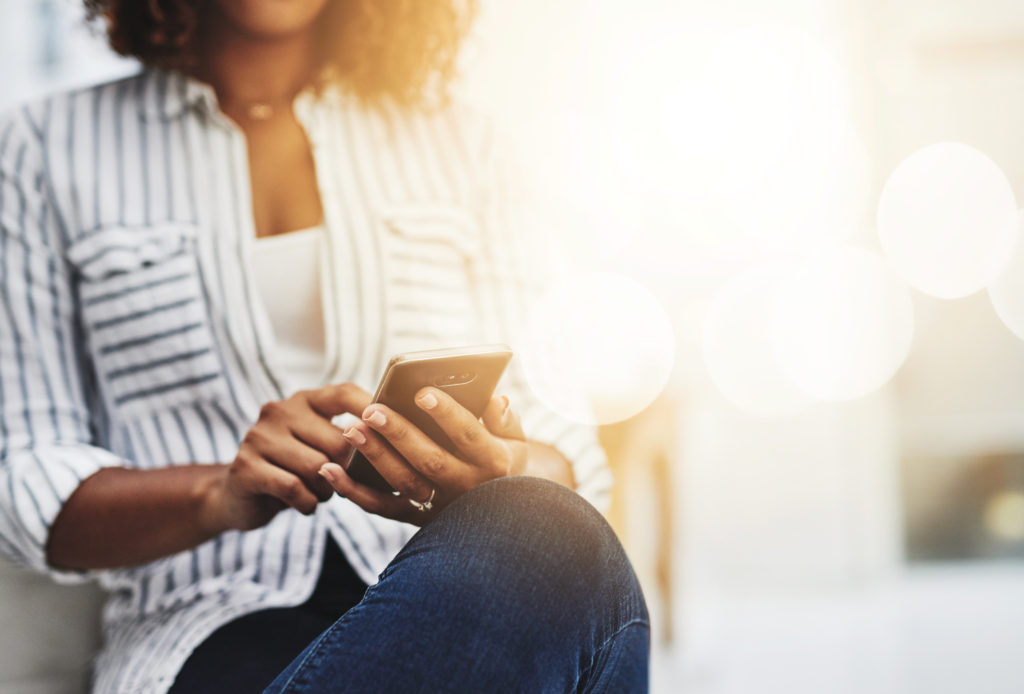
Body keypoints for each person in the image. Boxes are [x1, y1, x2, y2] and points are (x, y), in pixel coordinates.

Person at [0, 1, 649, 692]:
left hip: (461, 612)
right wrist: (215, 493)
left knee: (550, 530)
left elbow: (566, 450)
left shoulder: (466, 145)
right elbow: (28, 480)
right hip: (203, 638)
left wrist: (497, 475)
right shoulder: (47, 147)